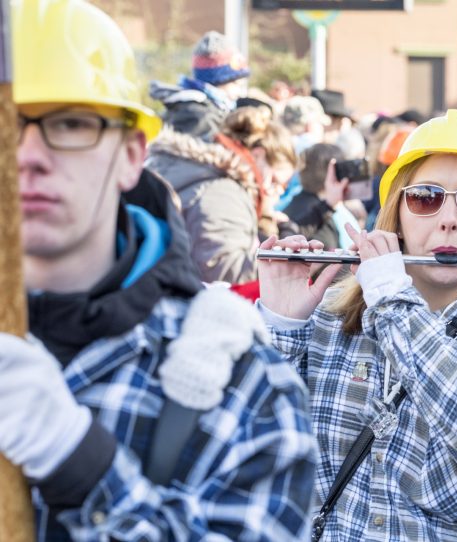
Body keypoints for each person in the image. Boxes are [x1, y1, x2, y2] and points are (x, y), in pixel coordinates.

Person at [3, 1, 315, 540]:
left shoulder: (243, 387)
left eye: (69, 123)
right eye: (5, 126)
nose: (25, 154)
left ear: (131, 155)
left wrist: (79, 463)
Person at [258, 109, 457, 540]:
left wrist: (393, 303)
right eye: (425, 198)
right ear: (398, 217)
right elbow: (257, 457)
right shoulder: (333, 318)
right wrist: (282, 328)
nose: (449, 218)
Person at [147, 105, 297, 283]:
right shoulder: (223, 191)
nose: (277, 191)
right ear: (257, 155)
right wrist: (289, 266)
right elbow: (223, 272)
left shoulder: (201, 173)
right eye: (276, 181)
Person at [149, 30, 250, 141]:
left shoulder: (211, 110)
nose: (240, 92)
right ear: (218, 82)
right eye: (236, 84)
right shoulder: (201, 116)